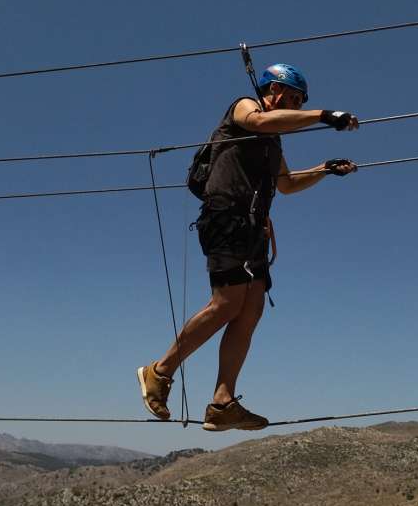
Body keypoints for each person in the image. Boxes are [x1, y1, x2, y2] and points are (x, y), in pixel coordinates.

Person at [137, 63, 360, 431]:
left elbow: (286, 184)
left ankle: (223, 403)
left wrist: (324, 169)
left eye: (296, 100)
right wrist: (323, 116)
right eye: (286, 96)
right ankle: (159, 372)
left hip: (253, 230)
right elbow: (257, 122)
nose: (287, 103)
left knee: (251, 306)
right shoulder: (244, 107)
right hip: (225, 219)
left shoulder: (274, 143)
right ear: (268, 89)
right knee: (226, 304)